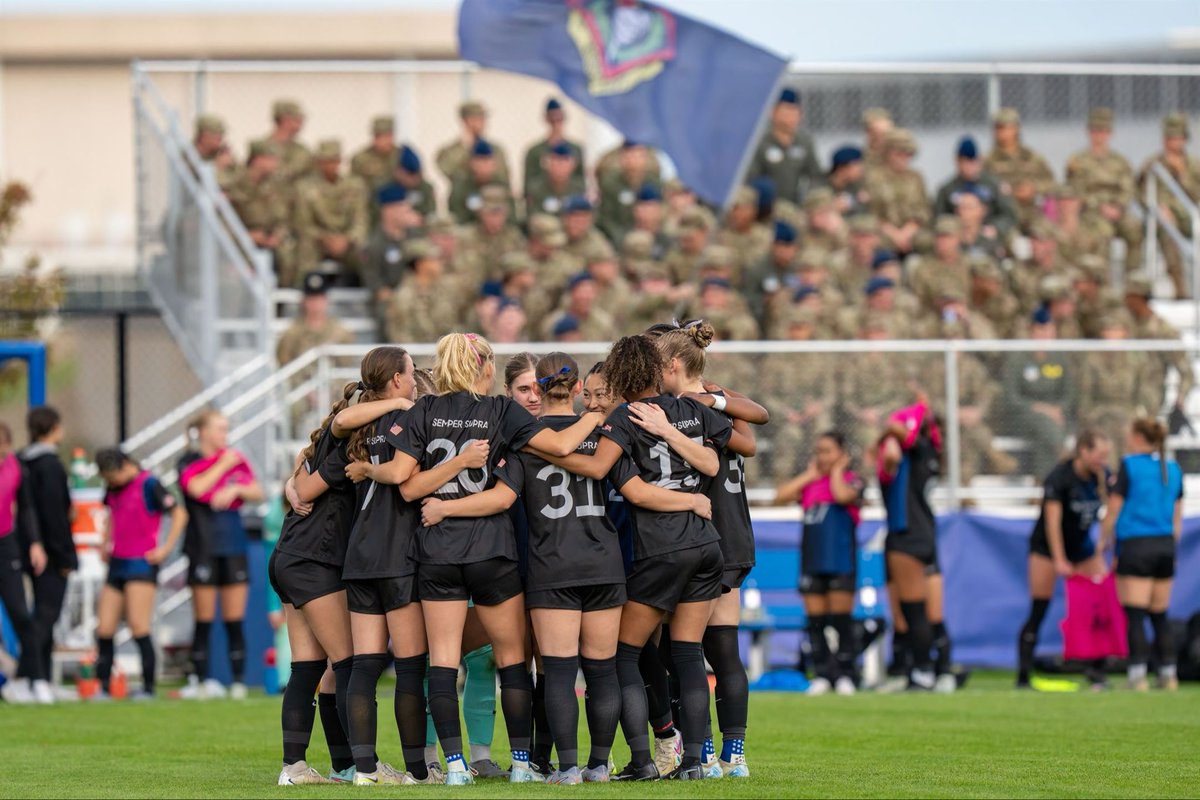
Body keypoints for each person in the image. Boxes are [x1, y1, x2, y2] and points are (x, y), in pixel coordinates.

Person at [347, 333, 605, 785]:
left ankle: (453, 767)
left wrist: (446, 475)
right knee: (510, 659)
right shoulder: (500, 411)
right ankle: (523, 765)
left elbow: (406, 487)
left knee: (444, 661)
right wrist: (599, 415)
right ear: (483, 366)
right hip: (491, 549)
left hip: (438, 550)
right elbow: (561, 449)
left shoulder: (423, 411)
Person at [532, 334, 741, 781]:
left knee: (622, 656)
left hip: (662, 549)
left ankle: (643, 759)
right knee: (687, 654)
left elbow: (608, 476)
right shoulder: (691, 408)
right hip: (707, 545)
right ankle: (694, 763)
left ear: (622, 373)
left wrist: (536, 445)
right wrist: (690, 497)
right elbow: (713, 463)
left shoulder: (624, 419)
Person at [465, 354, 626, 785]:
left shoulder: (524, 437)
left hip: (552, 563)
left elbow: (502, 497)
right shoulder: (605, 429)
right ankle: (599, 766)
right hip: (604, 562)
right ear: (577, 389)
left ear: (537, 388)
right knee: (601, 670)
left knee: (556, 670)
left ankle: (568, 767)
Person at [335, 351, 484, 786]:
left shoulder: (365, 423)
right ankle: (419, 769)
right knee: (410, 667)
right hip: (399, 554)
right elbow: (404, 477)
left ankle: (365, 771)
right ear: (399, 379)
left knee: (365, 663)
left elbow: (339, 423)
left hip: (360, 555)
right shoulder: (415, 420)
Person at [271, 353, 401, 786]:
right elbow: (310, 482)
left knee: (309, 667)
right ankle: (364, 765)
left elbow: (299, 481)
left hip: (291, 557)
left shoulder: (343, 442)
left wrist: (292, 485)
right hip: (313, 561)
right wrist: (395, 405)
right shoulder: (345, 441)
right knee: (350, 663)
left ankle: (298, 768)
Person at [655, 322, 766, 779]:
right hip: (735, 536)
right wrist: (719, 399)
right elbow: (754, 427)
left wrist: (709, 404)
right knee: (722, 650)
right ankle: (733, 754)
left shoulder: (685, 409)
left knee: (679, 651)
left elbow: (743, 441)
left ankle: (692, 750)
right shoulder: (720, 400)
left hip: (704, 535)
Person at [177, 409, 264, 700]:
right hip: (202, 546)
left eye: (226, 429)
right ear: (202, 431)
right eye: (219, 429)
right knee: (203, 618)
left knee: (233, 618)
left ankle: (237, 682)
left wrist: (236, 486)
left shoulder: (235, 459)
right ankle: (199, 680)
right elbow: (196, 489)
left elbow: (257, 491)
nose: (224, 435)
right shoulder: (189, 461)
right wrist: (222, 464)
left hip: (233, 546)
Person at [1016, 431, 1112, 690]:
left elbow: (1113, 508)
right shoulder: (1060, 478)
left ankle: (1097, 671)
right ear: (1083, 450)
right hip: (1047, 547)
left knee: (1097, 605)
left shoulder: (1102, 476)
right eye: (1098, 455)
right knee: (1040, 608)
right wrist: (1058, 559)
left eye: (1105, 456)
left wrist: (1104, 541)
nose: (1101, 461)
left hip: (1082, 548)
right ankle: (1023, 674)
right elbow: (1052, 523)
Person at [93, 448, 187, 700]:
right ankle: (102, 687)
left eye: (113, 476)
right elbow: (112, 514)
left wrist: (165, 548)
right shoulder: (113, 488)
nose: (111, 483)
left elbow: (179, 514)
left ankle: (147, 688)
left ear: (125, 467)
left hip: (141, 564)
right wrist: (105, 542)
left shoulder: (149, 484)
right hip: (117, 563)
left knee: (138, 625)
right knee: (104, 627)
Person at [775, 431, 864, 696]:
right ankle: (823, 674)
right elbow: (780, 496)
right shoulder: (811, 485)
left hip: (840, 560)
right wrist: (809, 475)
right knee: (815, 621)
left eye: (828, 451)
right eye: (818, 451)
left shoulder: (853, 481)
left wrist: (838, 470)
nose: (822, 457)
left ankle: (847, 674)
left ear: (842, 453)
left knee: (840, 620)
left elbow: (841, 496)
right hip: (812, 560)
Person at [1100, 418, 1183, 692]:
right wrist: (1172, 548)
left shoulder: (1130, 466)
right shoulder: (1173, 469)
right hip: (1165, 545)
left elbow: (1113, 510)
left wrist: (1103, 543)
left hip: (1137, 545)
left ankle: (1138, 677)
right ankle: (1169, 675)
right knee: (1159, 615)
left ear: (1137, 436)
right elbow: (1177, 517)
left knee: (1135, 614)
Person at [878, 399, 942, 691]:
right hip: (924, 534)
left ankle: (922, 670)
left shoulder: (911, 455)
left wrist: (891, 430)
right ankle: (922, 669)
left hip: (907, 535)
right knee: (914, 610)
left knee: (913, 609)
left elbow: (892, 444)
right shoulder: (929, 454)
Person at [17, 406, 76, 705]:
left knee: (44, 616)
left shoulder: (22, 460)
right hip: (51, 553)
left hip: (26, 547)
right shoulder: (49, 464)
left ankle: (40, 679)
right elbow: (55, 514)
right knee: (45, 615)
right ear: (53, 427)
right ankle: (30, 678)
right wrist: (65, 555)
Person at [1000, 307, 1075, 478]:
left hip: (1056, 420)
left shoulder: (1060, 359)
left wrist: (1057, 409)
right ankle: (1065, 454)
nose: (1044, 334)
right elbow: (1011, 397)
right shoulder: (1018, 359)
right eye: (1040, 329)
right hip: (1022, 419)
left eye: (1048, 329)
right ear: (1031, 331)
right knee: (1044, 422)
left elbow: (1069, 394)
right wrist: (1039, 408)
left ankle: (1041, 484)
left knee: (1045, 435)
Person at [1066, 108, 1142, 271]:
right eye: (1095, 131)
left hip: (1117, 211)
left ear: (1110, 134)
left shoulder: (1120, 161)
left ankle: (1132, 280)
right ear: (1089, 132)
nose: (1099, 136)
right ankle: (1102, 281)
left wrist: (1118, 207)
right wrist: (1099, 206)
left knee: (1135, 228)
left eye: (1103, 131)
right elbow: (1074, 191)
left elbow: (1128, 188)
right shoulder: (1078, 161)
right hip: (1091, 212)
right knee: (1102, 233)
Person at [0, 422, 42, 704]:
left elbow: (26, 507)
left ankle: (34, 679)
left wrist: (36, 543)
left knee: (21, 614)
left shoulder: (16, 468)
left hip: (6, 546)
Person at [1138, 113, 1200, 298]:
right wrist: (1156, 208)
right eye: (1169, 138)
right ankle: (1181, 290)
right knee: (1168, 235)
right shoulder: (1153, 164)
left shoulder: (1193, 166)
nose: (1172, 142)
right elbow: (1140, 192)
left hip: (1190, 216)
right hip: (1164, 218)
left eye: (1177, 138)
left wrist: (1182, 175)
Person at [293, 139, 370, 284]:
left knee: (366, 254)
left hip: (347, 241)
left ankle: (365, 291)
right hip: (318, 241)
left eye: (334, 160)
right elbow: (303, 223)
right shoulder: (304, 187)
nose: (330, 165)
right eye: (326, 160)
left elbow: (361, 220)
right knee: (303, 251)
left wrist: (347, 239)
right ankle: (307, 290)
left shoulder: (355, 186)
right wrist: (326, 238)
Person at [1123, 272, 1195, 420]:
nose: (1125, 299)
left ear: (1139, 297)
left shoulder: (1163, 330)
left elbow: (1187, 372)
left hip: (1148, 396)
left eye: (1129, 295)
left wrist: (1179, 403)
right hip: (1121, 391)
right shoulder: (1123, 324)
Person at [982, 108, 1055, 235]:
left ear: (1016, 129)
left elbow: (1052, 182)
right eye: (997, 128)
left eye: (1005, 127)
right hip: (1003, 216)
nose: (1001, 132)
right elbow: (980, 187)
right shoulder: (987, 161)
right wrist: (1004, 193)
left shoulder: (1031, 157)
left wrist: (1034, 188)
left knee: (1047, 236)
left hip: (1031, 215)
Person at [932, 135, 1016, 242]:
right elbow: (940, 217)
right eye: (964, 161)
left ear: (979, 160)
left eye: (971, 161)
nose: (968, 166)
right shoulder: (947, 189)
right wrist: (953, 229)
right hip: (958, 236)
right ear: (957, 161)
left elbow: (1009, 214)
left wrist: (996, 227)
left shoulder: (993, 185)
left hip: (987, 231)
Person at [746, 88, 822, 204]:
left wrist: (810, 198)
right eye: (787, 110)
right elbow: (751, 178)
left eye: (796, 110)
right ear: (773, 112)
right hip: (767, 206)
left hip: (796, 205)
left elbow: (815, 175)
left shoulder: (804, 142)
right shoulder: (760, 142)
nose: (793, 115)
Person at [866, 128, 929, 255]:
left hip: (913, 233)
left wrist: (907, 232)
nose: (904, 158)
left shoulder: (916, 177)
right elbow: (872, 213)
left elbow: (923, 210)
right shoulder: (873, 178)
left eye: (908, 154)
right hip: (884, 233)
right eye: (899, 153)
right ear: (888, 153)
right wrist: (895, 235)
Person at [276, 272, 354, 367]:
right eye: (311, 299)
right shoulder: (291, 334)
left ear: (326, 300)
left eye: (319, 298)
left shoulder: (341, 333)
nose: (315, 304)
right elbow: (284, 365)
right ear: (304, 301)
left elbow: (346, 365)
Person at [435, 100, 511, 184]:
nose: (482, 123)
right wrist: (465, 147)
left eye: (483, 119)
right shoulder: (449, 152)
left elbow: (504, 177)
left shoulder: (495, 149)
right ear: (465, 121)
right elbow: (450, 172)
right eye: (477, 119)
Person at [523, 98, 585, 189]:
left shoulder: (576, 149)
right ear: (546, 119)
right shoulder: (535, 151)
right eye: (552, 119)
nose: (556, 123)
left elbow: (581, 180)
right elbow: (528, 183)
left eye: (559, 118)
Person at [249, 99, 312, 185]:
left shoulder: (302, 151)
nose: (301, 124)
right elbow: (249, 178)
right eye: (297, 119)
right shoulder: (260, 147)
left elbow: (300, 174)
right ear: (284, 120)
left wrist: (274, 168)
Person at [349, 116, 397, 192]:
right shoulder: (360, 159)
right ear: (374, 138)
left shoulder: (402, 156)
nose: (385, 141)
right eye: (381, 137)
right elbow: (353, 186)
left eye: (388, 136)